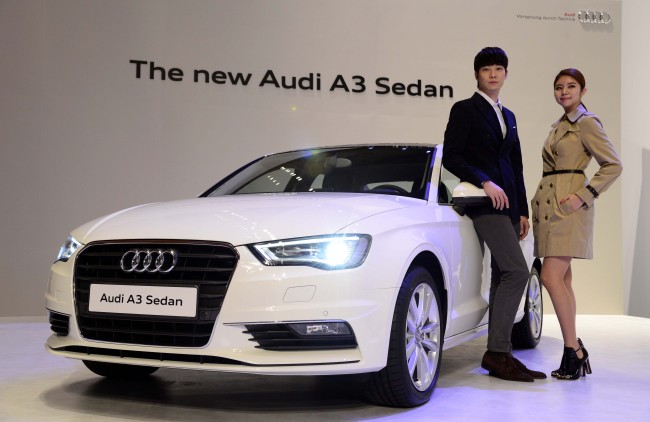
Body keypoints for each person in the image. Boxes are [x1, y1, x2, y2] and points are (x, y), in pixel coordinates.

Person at [443, 47, 545, 382]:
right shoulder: (465, 109)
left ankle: (500, 354)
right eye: (486, 68)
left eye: (498, 68)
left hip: (507, 207)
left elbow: (515, 167)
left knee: (504, 274)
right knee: (518, 271)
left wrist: (522, 211)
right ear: (476, 74)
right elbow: (452, 157)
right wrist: (484, 182)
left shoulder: (509, 116)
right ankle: (497, 352)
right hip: (482, 203)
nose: (492, 74)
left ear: (505, 74)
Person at [531, 68, 622, 380]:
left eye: (571, 86)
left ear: (583, 90)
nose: (564, 92)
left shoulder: (587, 123)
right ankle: (574, 351)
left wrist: (585, 195)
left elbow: (613, 164)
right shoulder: (558, 126)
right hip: (551, 207)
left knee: (550, 276)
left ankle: (573, 350)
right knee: (563, 280)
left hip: (568, 209)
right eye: (558, 87)